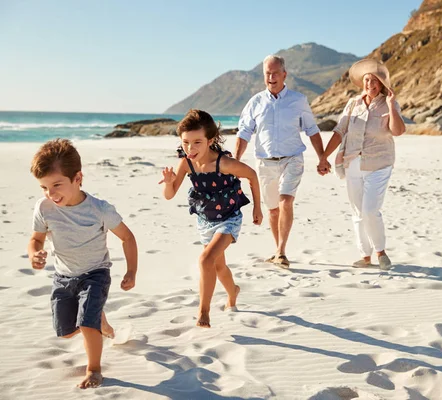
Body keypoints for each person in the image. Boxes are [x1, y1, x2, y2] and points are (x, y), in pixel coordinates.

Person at [27, 139, 138, 389]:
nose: (50, 194)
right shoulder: (43, 208)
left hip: (95, 274)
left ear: (78, 178)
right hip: (63, 277)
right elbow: (35, 239)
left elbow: (127, 237)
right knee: (66, 331)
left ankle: (94, 369)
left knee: (86, 323)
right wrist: (34, 253)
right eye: (44, 187)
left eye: (57, 185)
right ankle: (100, 321)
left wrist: (131, 271)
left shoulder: (99, 209)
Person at [159, 109, 262, 328]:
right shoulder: (186, 164)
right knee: (217, 266)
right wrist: (169, 182)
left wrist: (257, 209)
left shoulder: (223, 163)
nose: (190, 148)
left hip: (229, 219)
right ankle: (233, 291)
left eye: (197, 142)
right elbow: (169, 195)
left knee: (205, 260)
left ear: (211, 140)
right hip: (205, 221)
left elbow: (252, 175)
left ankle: (203, 313)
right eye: (185, 142)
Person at [234, 54, 329, 268]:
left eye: (275, 73)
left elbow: (312, 130)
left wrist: (322, 157)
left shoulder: (298, 100)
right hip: (265, 162)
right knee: (273, 210)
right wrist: (236, 161)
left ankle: (281, 251)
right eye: (267, 73)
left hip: (292, 158)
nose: (271, 77)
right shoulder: (255, 102)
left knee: (286, 201)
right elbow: (244, 133)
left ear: (284, 74)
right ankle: (278, 252)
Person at [322, 59, 405, 270]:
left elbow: (398, 131)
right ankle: (365, 256)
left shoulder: (389, 103)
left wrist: (391, 107)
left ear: (382, 84)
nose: (370, 84)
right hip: (352, 162)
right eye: (367, 80)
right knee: (358, 212)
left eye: (375, 81)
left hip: (379, 163)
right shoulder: (353, 104)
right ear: (362, 82)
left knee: (370, 210)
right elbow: (340, 131)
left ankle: (381, 252)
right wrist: (324, 156)